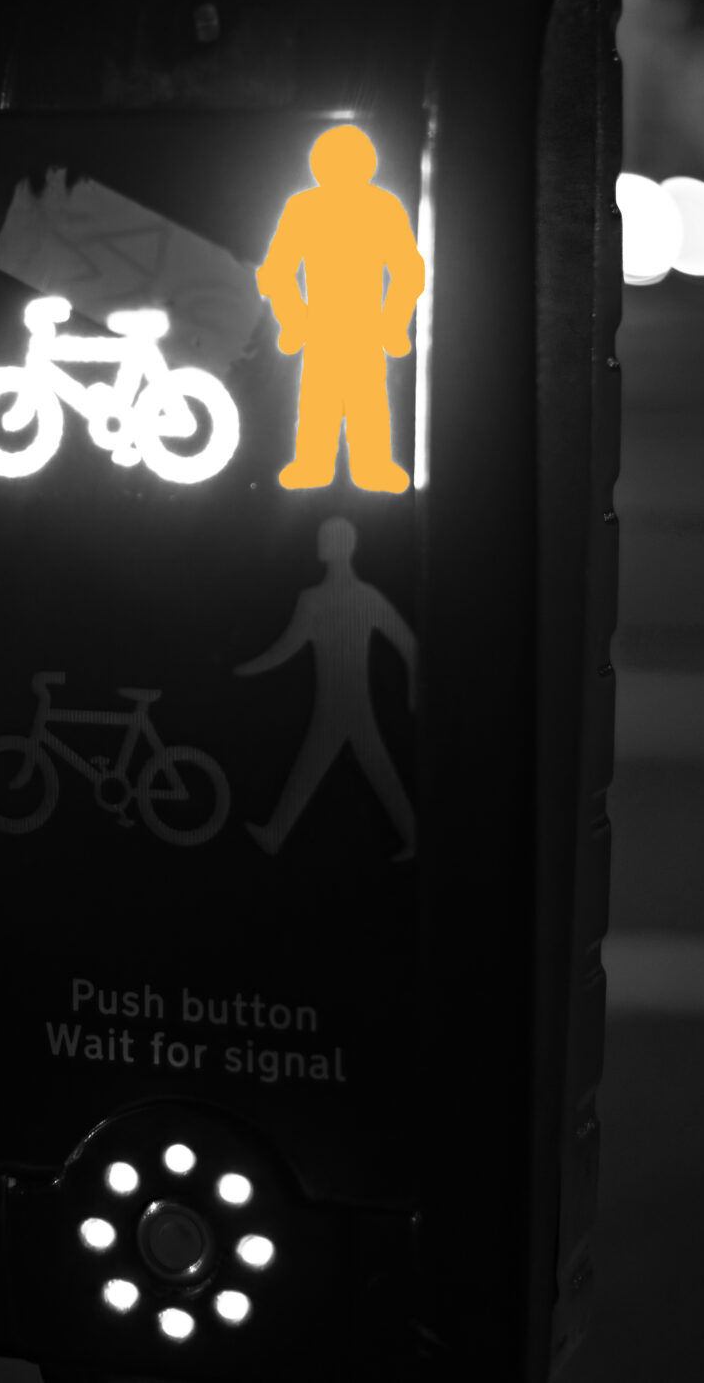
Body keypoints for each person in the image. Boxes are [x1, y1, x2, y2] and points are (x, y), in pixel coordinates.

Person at [235, 517, 418, 858]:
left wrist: (249, 668)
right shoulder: (351, 596)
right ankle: (276, 833)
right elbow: (410, 648)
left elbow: (286, 648)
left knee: (333, 767)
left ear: (339, 546)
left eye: (325, 538)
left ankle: (275, 834)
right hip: (341, 704)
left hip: (341, 705)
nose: (320, 543)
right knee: (355, 767)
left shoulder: (322, 599)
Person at [256, 125, 424, 493]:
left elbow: (409, 272)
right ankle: (316, 464)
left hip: (362, 326)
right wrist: (293, 320)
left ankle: (371, 466)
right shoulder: (303, 207)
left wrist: (393, 325)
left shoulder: (383, 207)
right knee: (320, 397)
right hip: (322, 327)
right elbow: (276, 272)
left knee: (366, 399)